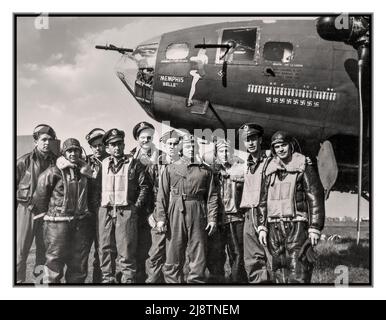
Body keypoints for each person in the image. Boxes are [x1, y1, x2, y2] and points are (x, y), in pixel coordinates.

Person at [257, 131, 325, 283]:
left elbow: (314, 196)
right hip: (274, 228)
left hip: (297, 227)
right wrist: (262, 226)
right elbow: (262, 200)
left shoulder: (303, 165)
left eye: (283, 145)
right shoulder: (269, 169)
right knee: (278, 272)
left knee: (298, 272)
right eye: (277, 147)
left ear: (291, 146)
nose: (280, 149)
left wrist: (315, 227)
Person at [155, 134, 218, 283]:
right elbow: (162, 195)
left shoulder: (205, 170)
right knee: (173, 252)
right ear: (182, 148)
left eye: (194, 146)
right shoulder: (170, 168)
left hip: (198, 210)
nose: (191, 149)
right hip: (176, 210)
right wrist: (161, 219)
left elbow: (212, 196)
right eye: (188, 146)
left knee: (198, 253)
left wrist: (212, 218)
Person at [32, 138, 94, 283]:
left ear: (80, 151)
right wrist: (45, 219)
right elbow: (40, 197)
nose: (73, 153)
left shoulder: (85, 172)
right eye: (70, 150)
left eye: (76, 150)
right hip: (57, 224)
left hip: (79, 224)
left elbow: (91, 196)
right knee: (53, 262)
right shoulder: (53, 172)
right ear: (64, 153)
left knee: (78, 264)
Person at [98, 128, 150, 283]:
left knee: (126, 252)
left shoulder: (134, 163)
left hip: (125, 211)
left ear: (123, 144)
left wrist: (135, 208)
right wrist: (98, 207)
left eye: (119, 143)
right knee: (105, 250)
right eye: (113, 144)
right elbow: (95, 188)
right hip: (105, 211)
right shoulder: (103, 164)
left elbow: (145, 187)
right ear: (107, 147)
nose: (117, 147)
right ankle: (107, 282)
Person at [16, 124, 57, 283]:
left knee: (44, 253)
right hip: (26, 211)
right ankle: (17, 284)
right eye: (43, 139)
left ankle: (40, 287)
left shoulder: (57, 161)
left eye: (50, 140)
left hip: (48, 214)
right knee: (20, 252)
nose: (47, 143)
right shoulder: (23, 161)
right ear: (36, 141)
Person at [208, 138, 248, 283]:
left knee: (237, 254)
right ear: (216, 153)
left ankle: (237, 283)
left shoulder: (241, 168)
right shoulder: (211, 171)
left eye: (227, 150)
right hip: (217, 219)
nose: (224, 154)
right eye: (221, 151)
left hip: (236, 218)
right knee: (216, 255)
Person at [145, 130, 182, 283]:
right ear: (165, 146)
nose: (172, 147)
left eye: (175, 143)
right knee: (155, 254)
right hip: (158, 213)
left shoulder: (184, 165)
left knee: (176, 255)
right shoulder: (156, 165)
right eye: (169, 144)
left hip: (178, 214)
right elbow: (147, 189)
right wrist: (150, 214)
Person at [239, 123, 271, 283]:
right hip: (249, 216)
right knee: (252, 261)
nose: (250, 143)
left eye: (253, 139)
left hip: (266, 214)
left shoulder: (271, 159)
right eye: (247, 140)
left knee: (273, 257)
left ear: (260, 139)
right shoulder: (246, 163)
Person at [130, 121, 159, 282]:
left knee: (155, 251)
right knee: (136, 250)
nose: (146, 140)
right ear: (137, 138)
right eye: (142, 137)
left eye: (149, 137)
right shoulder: (130, 157)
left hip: (156, 209)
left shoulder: (161, 156)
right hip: (137, 210)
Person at [85, 128, 107, 283]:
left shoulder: (111, 161)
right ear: (91, 148)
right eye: (95, 146)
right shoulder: (84, 161)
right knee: (82, 251)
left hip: (104, 212)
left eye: (101, 145)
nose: (98, 148)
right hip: (86, 213)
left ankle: (97, 283)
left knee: (102, 251)